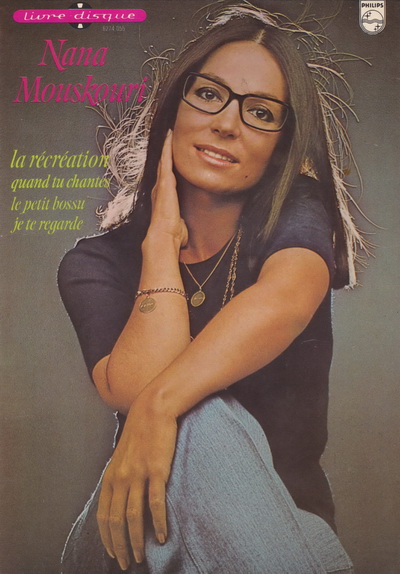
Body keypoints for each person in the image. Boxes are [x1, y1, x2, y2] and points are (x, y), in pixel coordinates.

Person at [58, 3, 365, 573]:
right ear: (173, 106)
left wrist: (161, 404)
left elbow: (286, 300)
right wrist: (160, 245)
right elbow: (135, 387)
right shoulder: (96, 262)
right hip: (132, 543)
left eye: (260, 112)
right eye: (208, 95)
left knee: (191, 412)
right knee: (197, 418)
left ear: (281, 144)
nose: (227, 123)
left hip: (283, 535)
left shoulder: (297, 217)